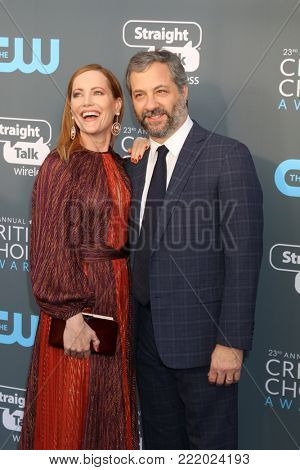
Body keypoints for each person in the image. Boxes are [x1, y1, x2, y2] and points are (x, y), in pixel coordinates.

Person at [125, 50, 263, 450]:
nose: (150, 104)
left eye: (160, 91)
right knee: (160, 448)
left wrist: (232, 342)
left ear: (183, 92)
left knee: (210, 450)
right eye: (139, 95)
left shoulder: (227, 156)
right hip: (146, 343)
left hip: (207, 349)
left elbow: (244, 258)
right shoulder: (132, 163)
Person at [20, 63, 148, 450]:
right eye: (77, 93)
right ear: (71, 108)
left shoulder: (127, 167)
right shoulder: (59, 164)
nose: (86, 102)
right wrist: (69, 313)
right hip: (77, 310)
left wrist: (146, 150)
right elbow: (47, 246)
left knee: (110, 412)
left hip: (121, 308)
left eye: (97, 93)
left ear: (117, 105)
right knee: (71, 412)